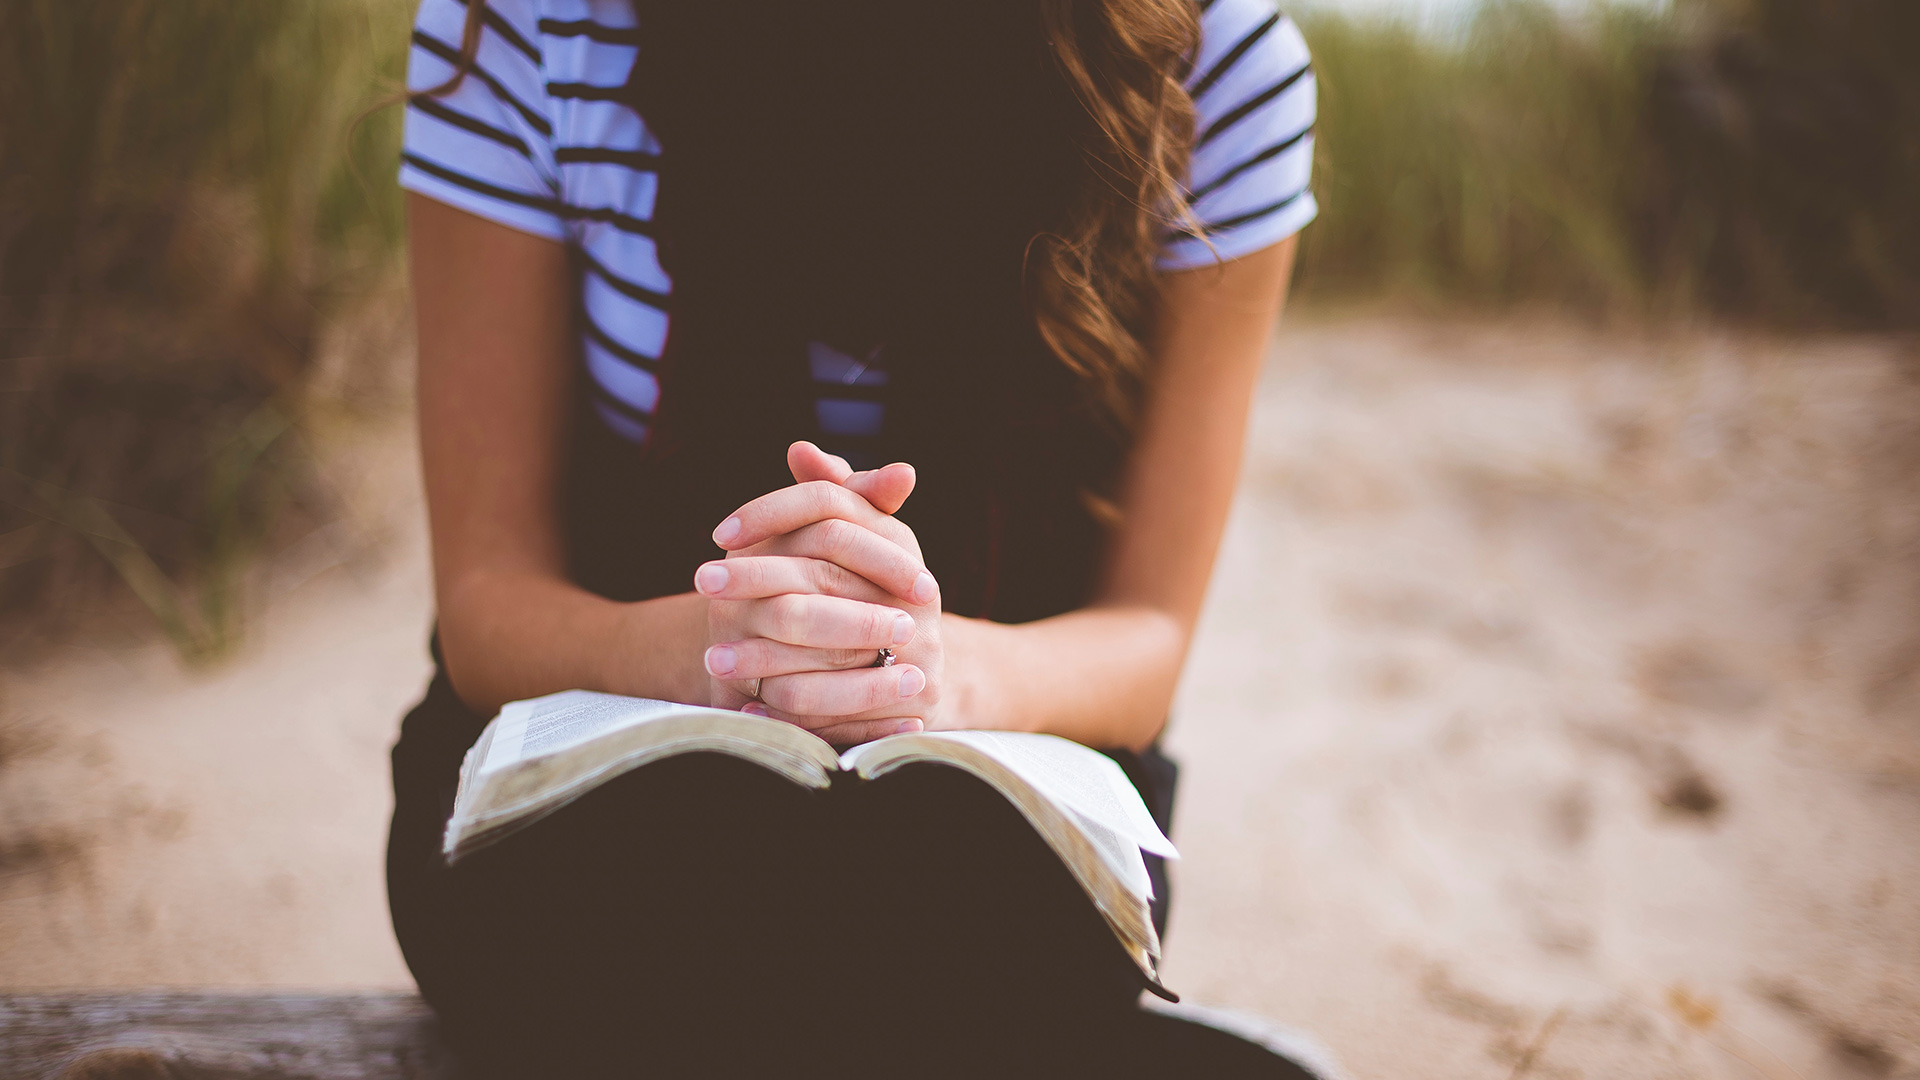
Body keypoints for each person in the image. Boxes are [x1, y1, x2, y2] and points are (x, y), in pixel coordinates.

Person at [385, 0, 1326, 1074]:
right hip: (589, 779)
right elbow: (485, 600)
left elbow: (1148, 632)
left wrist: (928, 669)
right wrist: (724, 653)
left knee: (942, 958)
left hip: (1005, 799)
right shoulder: (530, 23)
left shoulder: (1217, 66)